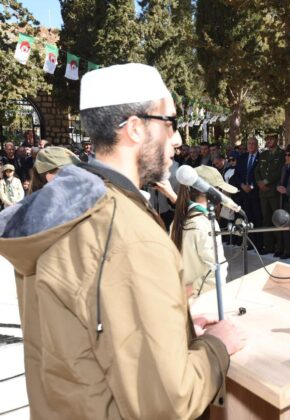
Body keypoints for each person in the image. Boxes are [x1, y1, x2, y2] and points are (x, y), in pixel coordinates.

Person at [0, 63, 244, 418]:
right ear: (135, 128)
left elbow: (85, 341)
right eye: (170, 122)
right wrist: (216, 347)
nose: (177, 139)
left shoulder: (63, 210)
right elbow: (166, 401)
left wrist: (175, 332)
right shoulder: (130, 235)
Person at [171, 165, 235, 299]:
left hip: (184, 298)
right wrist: (193, 288)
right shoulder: (205, 224)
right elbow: (216, 272)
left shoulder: (178, 220)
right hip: (203, 299)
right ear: (210, 193)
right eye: (219, 190)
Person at [255, 133, 285, 256]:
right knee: (266, 219)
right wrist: (259, 182)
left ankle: (280, 247)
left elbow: (279, 171)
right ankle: (269, 246)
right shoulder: (263, 154)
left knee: (277, 219)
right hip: (263, 192)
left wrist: (266, 181)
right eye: (267, 139)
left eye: (271, 139)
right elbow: (257, 170)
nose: (268, 141)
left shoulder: (282, 154)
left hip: (274, 191)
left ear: (276, 140)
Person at [231, 137, 263, 249]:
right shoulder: (242, 158)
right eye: (249, 143)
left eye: (253, 143)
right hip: (244, 193)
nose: (251, 145)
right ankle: (249, 242)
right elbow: (237, 175)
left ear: (257, 145)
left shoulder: (261, 157)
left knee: (257, 218)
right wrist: (242, 185)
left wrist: (253, 186)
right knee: (247, 218)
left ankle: (259, 244)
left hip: (256, 193)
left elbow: (262, 175)